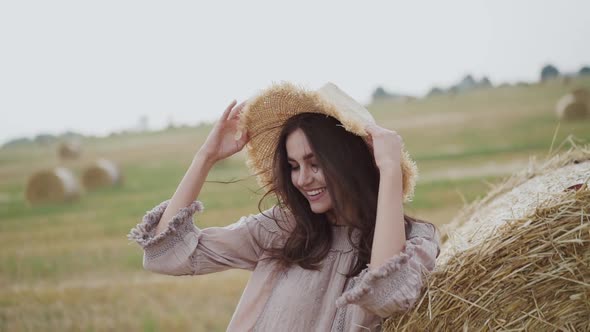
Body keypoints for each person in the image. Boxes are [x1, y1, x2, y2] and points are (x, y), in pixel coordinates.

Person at [128, 82, 440, 331]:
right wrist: (205, 158)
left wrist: (388, 170)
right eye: (293, 166)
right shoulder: (283, 228)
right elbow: (165, 256)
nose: (302, 179)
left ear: (347, 162)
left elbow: (387, 295)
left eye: (314, 163)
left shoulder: (414, 239)